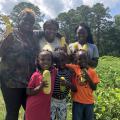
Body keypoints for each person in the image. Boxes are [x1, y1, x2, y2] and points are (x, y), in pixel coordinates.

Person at [0, 8, 37, 120]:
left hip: (29, 82)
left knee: (31, 111)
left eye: (31, 22)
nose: (28, 23)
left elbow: (49, 31)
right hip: (10, 81)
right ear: (19, 20)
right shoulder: (9, 33)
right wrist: (5, 44)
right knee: (12, 113)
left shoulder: (33, 36)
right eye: (25, 20)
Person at [66, 50, 100, 120]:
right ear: (76, 60)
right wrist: (69, 56)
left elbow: (94, 88)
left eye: (84, 58)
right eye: (79, 59)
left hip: (89, 103)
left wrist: (88, 78)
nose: (82, 61)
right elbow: (65, 64)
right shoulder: (76, 68)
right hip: (77, 102)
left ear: (88, 59)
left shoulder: (92, 72)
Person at [26, 50, 56, 120]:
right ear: (38, 61)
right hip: (34, 107)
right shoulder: (36, 75)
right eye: (42, 59)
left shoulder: (53, 72)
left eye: (48, 60)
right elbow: (28, 91)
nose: (46, 62)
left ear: (52, 61)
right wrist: (40, 87)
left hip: (45, 107)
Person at [51, 48, 77, 120]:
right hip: (52, 99)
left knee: (62, 118)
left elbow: (74, 88)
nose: (61, 63)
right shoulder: (53, 71)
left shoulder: (70, 72)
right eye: (57, 61)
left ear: (66, 60)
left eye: (63, 60)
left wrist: (67, 83)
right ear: (54, 62)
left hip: (62, 100)